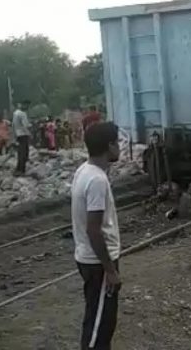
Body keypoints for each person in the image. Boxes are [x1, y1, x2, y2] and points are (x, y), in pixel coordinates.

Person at [71, 121, 122, 349]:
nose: (120, 147)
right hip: (98, 264)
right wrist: (110, 270)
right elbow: (94, 229)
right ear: (109, 145)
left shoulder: (85, 170)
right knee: (99, 329)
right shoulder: (97, 180)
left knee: (98, 319)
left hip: (89, 259)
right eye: (118, 142)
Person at [13, 100, 31, 176]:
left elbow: (13, 125)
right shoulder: (22, 114)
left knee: (20, 152)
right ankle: (22, 170)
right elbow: (26, 125)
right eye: (27, 105)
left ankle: (18, 169)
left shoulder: (15, 113)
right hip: (24, 134)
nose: (27, 107)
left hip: (18, 134)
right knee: (24, 153)